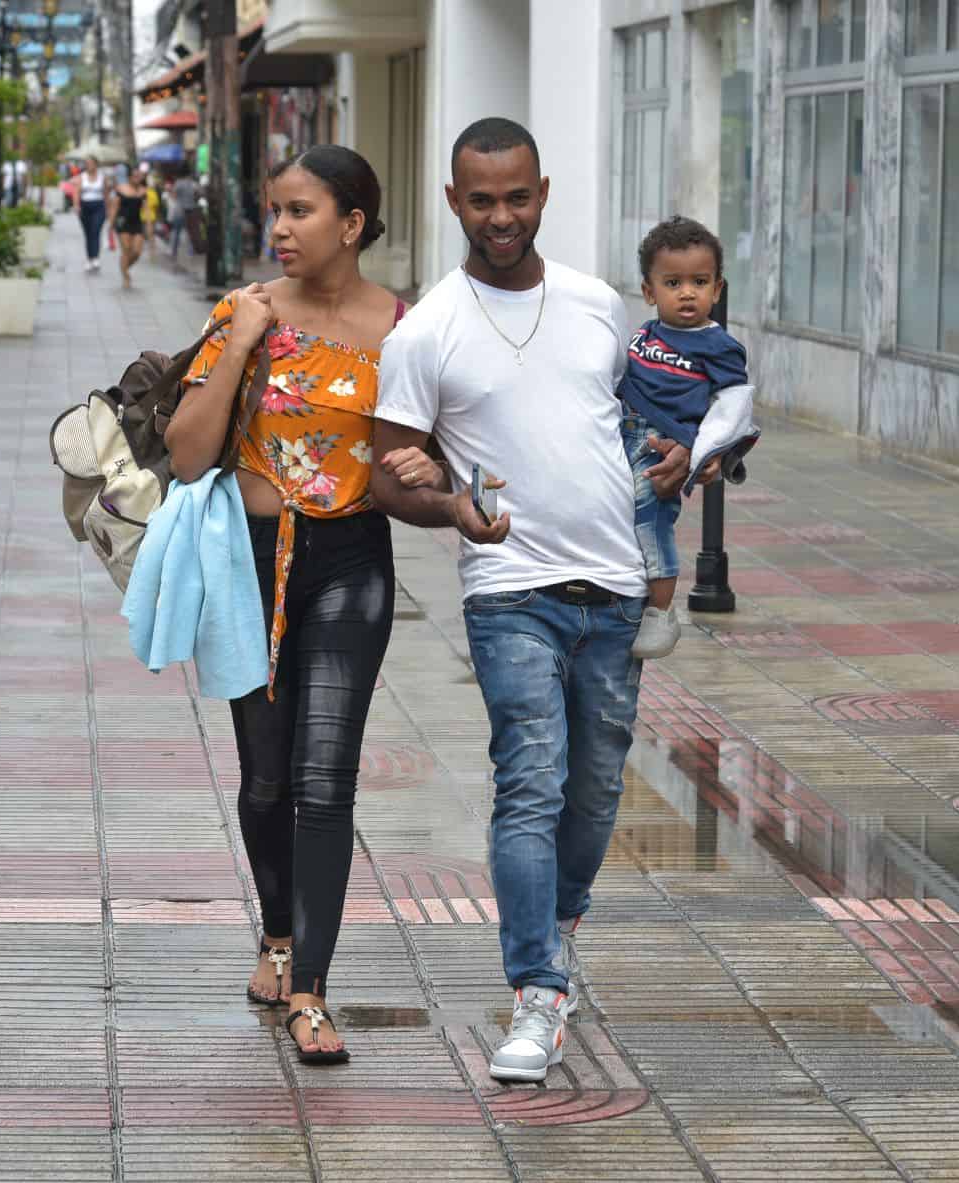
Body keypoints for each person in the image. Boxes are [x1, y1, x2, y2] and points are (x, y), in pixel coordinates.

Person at [371, 117, 715, 1083]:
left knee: (596, 788)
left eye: (517, 196)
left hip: (613, 589)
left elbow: (650, 417)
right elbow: (386, 478)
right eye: (481, 200)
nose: (501, 216)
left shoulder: (600, 305)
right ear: (453, 203)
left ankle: (558, 930)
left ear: (543, 192)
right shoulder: (428, 328)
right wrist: (448, 505)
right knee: (531, 775)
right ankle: (537, 991)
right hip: (509, 589)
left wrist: (692, 448)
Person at [164, 145, 436, 1066]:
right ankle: (276, 933)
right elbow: (188, 453)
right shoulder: (245, 312)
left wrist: (435, 472)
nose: (278, 228)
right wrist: (240, 342)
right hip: (249, 560)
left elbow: (433, 437)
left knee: (328, 776)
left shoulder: (404, 324)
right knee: (265, 778)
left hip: (353, 559)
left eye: (300, 211)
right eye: (274, 210)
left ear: (352, 224)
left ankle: (311, 988)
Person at [617, 216, 744, 657]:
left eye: (699, 281)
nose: (687, 292)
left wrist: (705, 449)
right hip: (622, 432)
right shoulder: (644, 334)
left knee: (650, 523)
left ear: (717, 289)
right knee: (618, 517)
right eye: (673, 282)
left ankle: (661, 612)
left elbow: (734, 405)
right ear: (650, 292)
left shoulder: (718, 345)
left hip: (663, 445)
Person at [107, 167, 149, 289]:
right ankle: (126, 276)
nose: (137, 179)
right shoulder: (121, 189)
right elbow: (114, 206)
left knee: (136, 252)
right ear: (129, 177)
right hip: (122, 222)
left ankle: (124, 267)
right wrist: (110, 224)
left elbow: (146, 209)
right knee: (126, 249)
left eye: (139, 176)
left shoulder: (143, 191)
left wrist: (148, 225)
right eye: (135, 176)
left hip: (137, 223)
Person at [75, 156, 108, 273]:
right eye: (87, 163)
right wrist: (76, 206)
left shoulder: (102, 177)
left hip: (99, 206)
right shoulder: (81, 177)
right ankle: (89, 258)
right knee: (88, 233)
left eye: (91, 163)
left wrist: (107, 208)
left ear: (96, 164)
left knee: (96, 231)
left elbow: (106, 193)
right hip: (85, 206)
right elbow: (77, 192)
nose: (89, 165)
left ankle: (96, 257)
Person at [170, 169, 201, 258]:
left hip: (179, 210)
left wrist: (179, 200)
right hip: (191, 210)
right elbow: (199, 194)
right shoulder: (193, 184)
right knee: (190, 231)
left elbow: (173, 195)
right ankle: (191, 251)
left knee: (176, 231)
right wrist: (193, 200)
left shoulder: (178, 183)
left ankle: (174, 252)